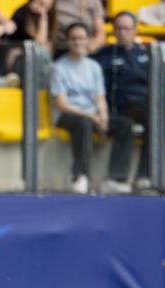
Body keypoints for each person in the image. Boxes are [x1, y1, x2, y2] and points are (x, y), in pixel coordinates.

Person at [93, 11, 165, 194]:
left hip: (156, 110)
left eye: (127, 29)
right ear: (113, 31)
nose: (123, 33)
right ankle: (142, 177)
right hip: (125, 109)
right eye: (119, 29)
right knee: (152, 118)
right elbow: (98, 90)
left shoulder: (150, 54)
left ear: (135, 30)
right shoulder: (105, 56)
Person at [50, 22, 107, 194]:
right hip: (67, 115)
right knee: (83, 124)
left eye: (81, 38)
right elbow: (62, 105)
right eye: (73, 38)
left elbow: (100, 97)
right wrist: (92, 116)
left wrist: (104, 116)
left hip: (92, 114)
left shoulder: (94, 67)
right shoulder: (58, 68)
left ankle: (116, 178)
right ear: (67, 41)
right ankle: (80, 176)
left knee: (124, 125)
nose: (77, 42)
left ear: (88, 40)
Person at [5, 0, 54, 87]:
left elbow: (47, 46)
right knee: (42, 53)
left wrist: (43, 16)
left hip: (36, 60)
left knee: (45, 54)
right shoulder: (21, 13)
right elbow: (39, 43)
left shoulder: (50, 15)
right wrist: (43, 18)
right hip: (19, 60)